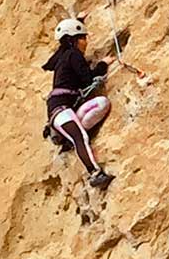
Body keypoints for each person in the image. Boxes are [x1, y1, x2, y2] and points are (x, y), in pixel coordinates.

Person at [42, 18, 115, 189]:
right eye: (82, 38)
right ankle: (95, 173)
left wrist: (78, 21)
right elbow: (87, 79)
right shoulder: (73, 55)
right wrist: (103, 65)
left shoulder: (63, 55)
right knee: (80, 137)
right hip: (60, 110)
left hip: (70, 109)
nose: (85, 42)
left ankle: (66, 137)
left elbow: (60, 49)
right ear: (74, 40)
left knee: (102, 103)